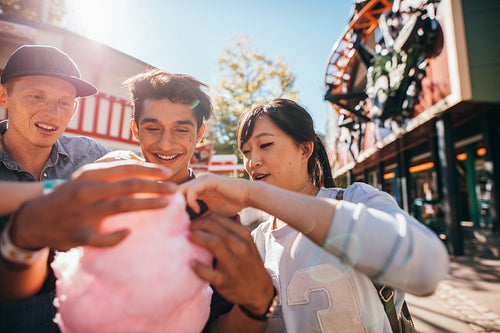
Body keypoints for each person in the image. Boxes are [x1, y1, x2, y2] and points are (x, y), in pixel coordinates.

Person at [179, 98, 450, 332]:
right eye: (246, 151)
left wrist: (252, 194)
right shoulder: (256, 241)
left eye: (265, 145)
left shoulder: (357, 199)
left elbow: (428, 267)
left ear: (305, 149)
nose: (252, 162)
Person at [0, 45, 177, 333]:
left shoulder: (91, 155)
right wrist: (59, 193)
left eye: (64, 102)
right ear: (4, 96)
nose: (52, 112)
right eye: (36, 96)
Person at [101, 68, 275, 332]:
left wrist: (257, 305)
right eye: (152, 128)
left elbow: (223, 321)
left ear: (200, 133)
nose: (165, 143)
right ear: (136, 129)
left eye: (181, 130)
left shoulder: (216, 210)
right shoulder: (112, 193)